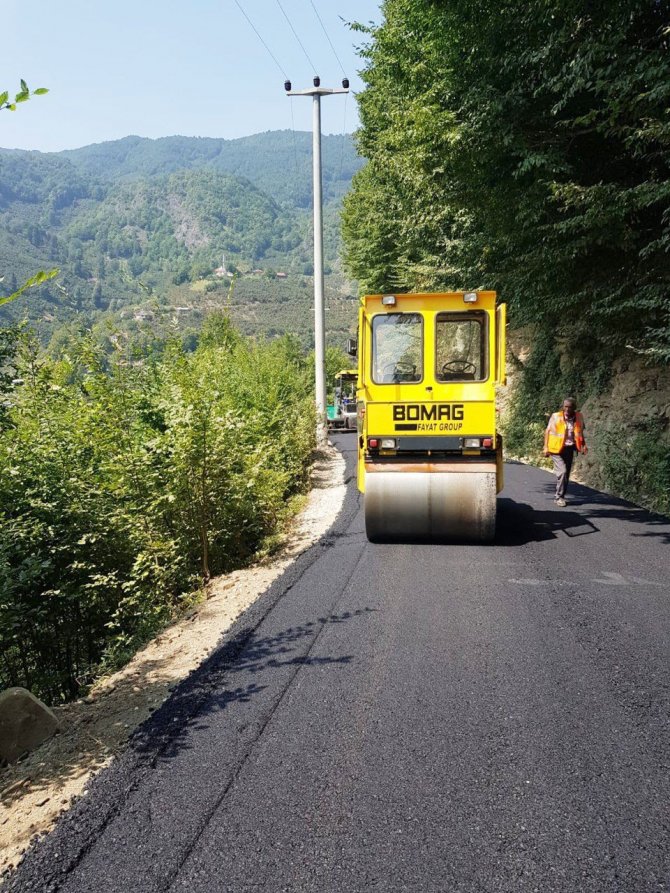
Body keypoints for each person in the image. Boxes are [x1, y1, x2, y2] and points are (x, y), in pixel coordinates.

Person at [543, 397, 588, 506]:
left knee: (566, 474)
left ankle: (561, 496)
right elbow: (548, 431)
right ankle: (558, 497)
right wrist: (545, 447)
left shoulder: (579, 417)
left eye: (570, 407)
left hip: (569, 449)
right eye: (565, 407)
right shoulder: (556, 416)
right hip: (556, 449)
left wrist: (583, 445)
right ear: (563, 407)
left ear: (574, 408)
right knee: (562, 472)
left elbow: (580, 432)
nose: (567, 409)